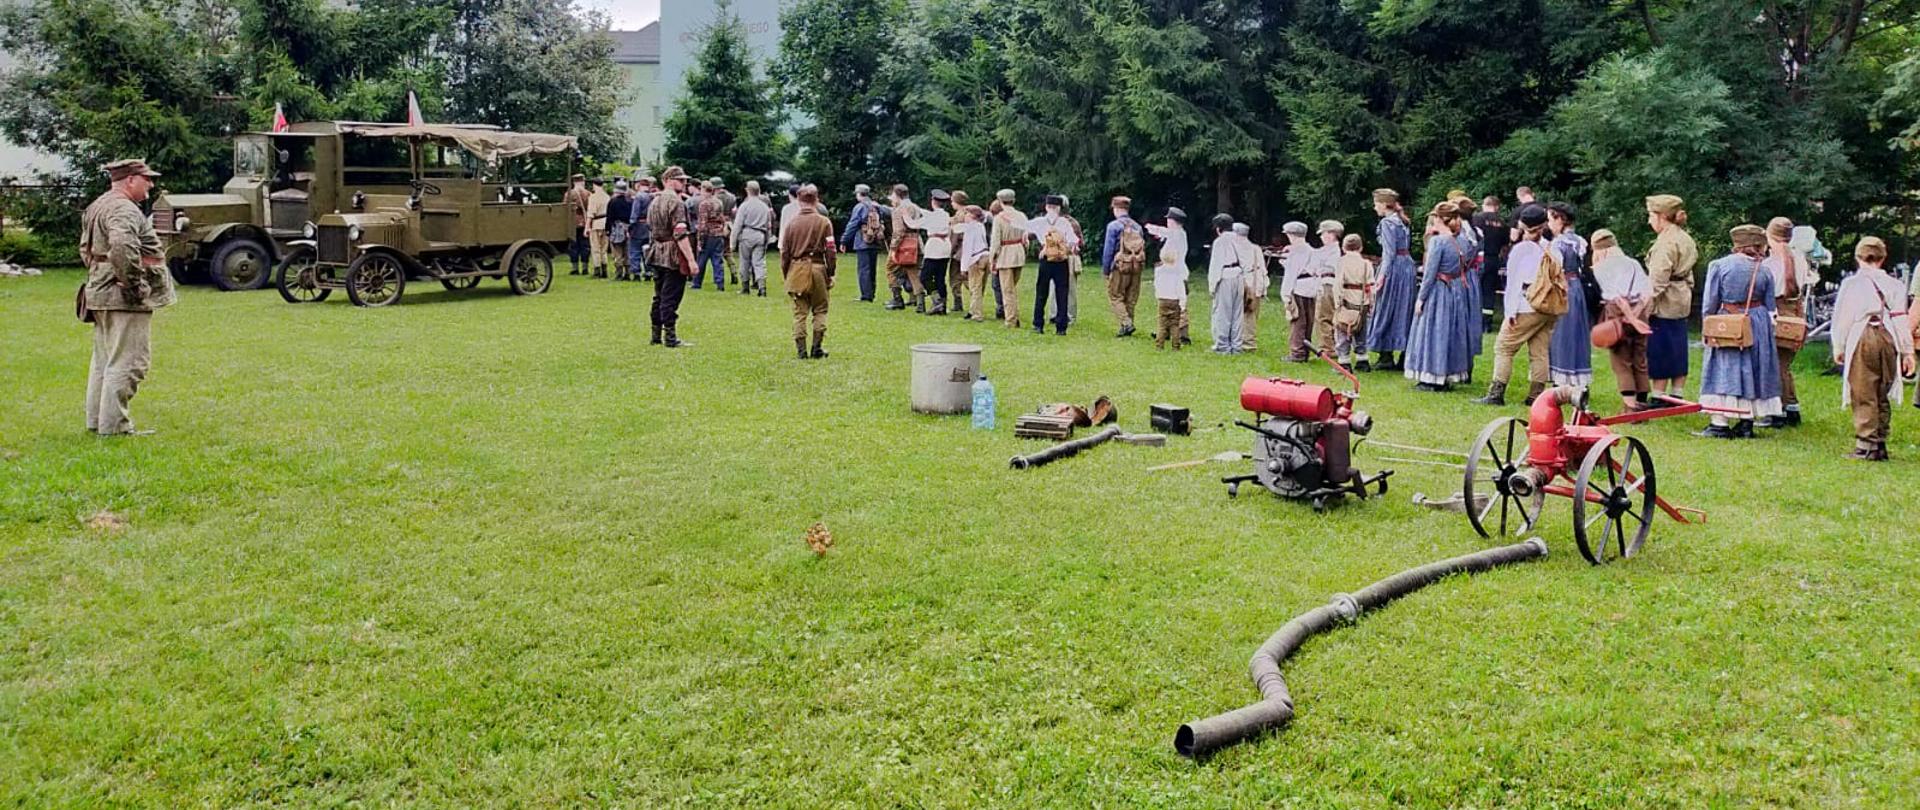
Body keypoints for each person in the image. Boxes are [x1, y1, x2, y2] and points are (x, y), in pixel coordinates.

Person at [79, 158, 171, 436]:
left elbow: (85, 248)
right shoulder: (123, 209)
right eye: (147, 179)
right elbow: (122, 247)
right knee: (130, 362)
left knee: (105, 361)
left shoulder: (99, 205)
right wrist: (135, 287)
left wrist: (102, 275)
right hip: (122, 297)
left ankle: (98, 421)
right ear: (130, 179)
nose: (151, 185)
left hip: (101, 291)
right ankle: (115, 427)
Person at [1830, 236, 1914, 459]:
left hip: (1862, 335)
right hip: (1888, 335)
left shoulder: (1852, 284)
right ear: (1883, 258)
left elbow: (1843, 318)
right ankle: (1880, 440)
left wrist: (1839, 346)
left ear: (1858, 257)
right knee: (1882, 389)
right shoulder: (1895, 285)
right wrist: (1907, 351)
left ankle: (1866, 444)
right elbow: (1900, 318)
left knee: (1863, 389)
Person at [1695, 225, 1781, 438]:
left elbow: (1710, 302)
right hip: (1758, 321)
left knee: (1725, 367)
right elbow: (1771, 306)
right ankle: (1746, 422)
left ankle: (1719, 423)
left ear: (1737, 244)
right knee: (1753, 368)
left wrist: (1708, 324)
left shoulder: (1720, 265)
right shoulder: (1764, 269)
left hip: (1729, 320)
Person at [1474, 204, 1561, 406]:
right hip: (1548, 305)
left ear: (1523, 225)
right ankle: (1535, 396)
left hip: (1526, 304)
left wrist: (1510, 311)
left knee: (1504, 347)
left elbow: (1514, 283)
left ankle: (1496, 393)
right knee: (1539, 351)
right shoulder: (1553, 247)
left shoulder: (1521, 250)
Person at [1404, 202, 1476, 391]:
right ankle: (1446, 376)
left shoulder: (1438, 242)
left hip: (1438, 290)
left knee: (1434, 332)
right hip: (1455, 290)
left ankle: (1431, 378)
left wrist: (1421, 299)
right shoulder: (1462, 240)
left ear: (1439, 219)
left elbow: (1429, 273)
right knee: (1450, 332)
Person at [1760, 216, 1817, 428]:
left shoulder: (1768, 265)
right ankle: (1791, 407)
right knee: (1784, 363)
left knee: (1773, 365)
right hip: (1795, 311)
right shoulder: (1800, 260)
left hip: (1776, 310)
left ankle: (1776, 411)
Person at [1590, 228, 1653, 412]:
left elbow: (1618, 298)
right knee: (1639, 358)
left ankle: (1630, 407)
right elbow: (1648, 293)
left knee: (1621, 360)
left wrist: (1630, 319)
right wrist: (1638, 315)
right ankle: (1642, 403)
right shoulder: (1632, 263)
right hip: (1639, 311)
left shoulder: (1602, 268)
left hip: (1618, 313)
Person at [1644, 194, 1698, 397]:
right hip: (1681, 297)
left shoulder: (1666, 243)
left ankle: (1659, 395)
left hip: (1665, 301)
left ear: (1662, 216)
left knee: (1660, 349)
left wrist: (1644, 306)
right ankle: (1677, 392)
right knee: (1678, 347)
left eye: (1651, 216)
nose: (1649, 221)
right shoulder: (1685, 238)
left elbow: (1657, 280)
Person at [780, 184, 837, 360]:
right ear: (816, 200)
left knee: (799, 312)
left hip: (797, 269)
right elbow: (831, 249)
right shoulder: (824, 222)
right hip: (819, 269)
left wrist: (787, 273)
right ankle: (816, 348)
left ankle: (801, 351)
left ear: (798, 201)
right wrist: (831, 272)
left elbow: (785, 254)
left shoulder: (791, 224)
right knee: (820, 309)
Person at [1366, 189, 1416, 370]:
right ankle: (1404, 354)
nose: (1374, 207)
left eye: (1376, 203)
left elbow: (1389, 253)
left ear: (1384, 204)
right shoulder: (1402, 221)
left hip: (1394, 268)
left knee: (1386, 306)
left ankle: (1385, 354)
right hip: (1407, 267)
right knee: (1404, 308)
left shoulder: (1388, 223)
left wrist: (1381, 276)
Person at [646, 167, 694, 348]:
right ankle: (671, 338)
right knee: (670, 296)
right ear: (668, 180)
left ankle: (656, 335)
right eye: (680, 180)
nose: (684, 183)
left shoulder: (654, 202)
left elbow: (651, 229)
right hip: (672, 254)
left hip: (656, 252)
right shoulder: (676, 202)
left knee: (658, 296)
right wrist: (690, 260)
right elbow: (680, 233)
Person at [1545, 202, 1591, 390]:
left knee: (1561, 332)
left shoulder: (1558, 244)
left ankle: (1562, 378)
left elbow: (1556, 271)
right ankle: (1577, 378)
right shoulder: (1580, 241)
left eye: (1550, 219)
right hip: (1577, 288)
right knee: (1577, 331)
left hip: (1562, 288)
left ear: (1560, 219)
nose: (1548, 224)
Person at [1027, 194, 1080, 335]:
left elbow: (1024, 226)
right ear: (1059, 208)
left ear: (1046, 207)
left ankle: (1038, 324)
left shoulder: (1040, 222)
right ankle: (1061, 327)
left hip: (1046, 259)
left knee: (1041, 292)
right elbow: (1073, 239)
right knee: (1062, 293)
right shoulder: (1064, 222)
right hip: (1061, 260)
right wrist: (1072, 246)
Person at [1102, 196, 1147, 337]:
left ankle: (1126, 323)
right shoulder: (1137, 227)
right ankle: (1127, 327)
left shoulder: (1113, 226)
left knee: (1115, 295)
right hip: (1136, 265)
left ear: (1116, 209)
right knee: (1131, 297)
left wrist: (1106, 269)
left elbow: (1108, 250)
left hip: (1120, 266)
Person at [1148, 208, 1191, 349]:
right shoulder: (1177, 234)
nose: (1167, 221)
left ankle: (1182, 334)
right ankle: (1167, 332)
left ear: (1173, 221)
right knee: (1175, 305)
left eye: (1169, 219)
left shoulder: (1177, 234)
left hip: (1177, 273)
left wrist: (1152, 228)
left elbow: (1166, 232)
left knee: (1180, 307)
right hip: (1174, 272)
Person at [1205, 213, 1248, 353]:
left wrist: (1212, 285)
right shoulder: (1240, 240)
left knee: (1222, 312)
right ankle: (1236, 345)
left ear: (1218, 229)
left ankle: (1222, 345)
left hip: (1225, 276)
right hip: (1239, 276)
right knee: (1237, 313)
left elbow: (1216, 265)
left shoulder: (1219, 242)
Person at [1333, 234, 1375, 371]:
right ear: (1360, 248)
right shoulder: (1366, 264)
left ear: (1344, 248)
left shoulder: (1342, 262)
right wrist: (1371, 302)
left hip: (1346, 300)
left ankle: (1344, 362)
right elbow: (1371, 285)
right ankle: (1362, 360)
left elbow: (1338, 284)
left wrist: (1337, 302)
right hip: (1362, 301)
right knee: (1361, 330)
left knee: (1343, 330)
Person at [840, 184, 887, 302]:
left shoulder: (859, 207)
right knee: (872, 268)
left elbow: (853, 224)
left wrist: (844, 240)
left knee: (863, 269)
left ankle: (866, 295)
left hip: (863, 240)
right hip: (875, 240)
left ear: (858, 194)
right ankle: (872, 292)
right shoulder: (876, 206)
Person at [990, 189, 1029, 328]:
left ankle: (1011, 320)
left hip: (1005, 254)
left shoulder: (999, 218)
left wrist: (992, 258)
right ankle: (1014, 315)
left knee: (1007, 290)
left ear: (1000, 201)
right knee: (1012, 287)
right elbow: (1026, 238)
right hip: (1019, 253)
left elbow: (995, 241)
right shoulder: (1022, 216)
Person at [1471, 195, 1508, 332]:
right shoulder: (1502, 223)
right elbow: (1505, 245)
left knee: (1475, 289)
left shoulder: (1476, 219)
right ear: (1497, 207)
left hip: (1479, 259)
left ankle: (1473, 321)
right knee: (1489, 291)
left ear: (1484, 204)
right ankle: (1487, 324)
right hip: (1494, 259)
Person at [1278, 222, 1315, 361]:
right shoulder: (1310, 250)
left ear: (1291, 235)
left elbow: (1292, 273)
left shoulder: (1296, 251)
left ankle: (1297, 353)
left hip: (1298, 288)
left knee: (1297, 321)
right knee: (1308, 321)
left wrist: (1286, 294)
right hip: (1310, 288)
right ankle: (1305, 351)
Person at [885, 184, 925, 311]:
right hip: (917, 242)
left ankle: (897, 299)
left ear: (897, 195)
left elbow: (899, 231)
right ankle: (920, 302)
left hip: (904, 246)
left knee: (890, 268)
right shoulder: (916, 207)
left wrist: (893, 249)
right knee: (914, 273)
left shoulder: (899, 210)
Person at [732, 180, 774, 296]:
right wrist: (768, 238)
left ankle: (745, 287)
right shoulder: (764, 206)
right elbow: (768, 224)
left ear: (747, 190)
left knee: (745, 261)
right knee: (759, 262)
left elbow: (737, 225)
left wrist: (732, 242)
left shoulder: (744, 206)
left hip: (747, 234)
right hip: (761, 235)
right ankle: (762, 288)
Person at [916, 189, 955, 315]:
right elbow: (925, 212)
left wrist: (905, 214)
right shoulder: (945, 215)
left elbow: (913, 224)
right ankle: (942, 305)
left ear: (933, 201)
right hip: (945, 247)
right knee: (940, 277)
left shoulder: (933, 216)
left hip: (934, 248)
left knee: (924, 276)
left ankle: (937, 300)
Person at [1309, 220, 1344, 357]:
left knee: (1323, 316)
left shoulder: (1332, 251)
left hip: (1327, 284)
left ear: (1331, 235)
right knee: (1327, 316)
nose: (1321, 237)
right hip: (1329, 283)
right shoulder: (1331, 250)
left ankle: (1328, 347)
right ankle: (1331, 345)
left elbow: (1318, 265)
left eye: (1323, 234)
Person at [1051, 196, 1083, 326]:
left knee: (1066, 288)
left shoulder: (1069, 223)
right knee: (1060, 287)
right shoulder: (1072, 222)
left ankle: (1065, 315)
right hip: (1060, 256)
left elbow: (1079, 241)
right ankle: (1059, 314)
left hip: (1067, 257)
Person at [957, 204, 991, 322]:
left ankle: (977, 314)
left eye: (966, 213)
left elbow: (968, 248)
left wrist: (963, 267)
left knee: (975, 287)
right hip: (986, 256)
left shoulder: (970, 228)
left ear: (972, 215)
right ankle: (973, 309)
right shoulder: (980, 226)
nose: (965, 216)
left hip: (976, 258)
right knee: (980, 286)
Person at [693, 179, 729, 291]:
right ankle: (720, 283)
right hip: (718, 234)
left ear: (704, 189)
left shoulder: (704, 204)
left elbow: (703, 223)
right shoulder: (718, 202)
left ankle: (697, 282)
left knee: (701, 260)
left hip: (708, 235)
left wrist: (700, 240)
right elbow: (722, 218)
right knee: (717, 260)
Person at [1237, 223, 1267, 352]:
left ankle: (1245, 343)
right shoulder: (1256, 248)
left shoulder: (1236, 248)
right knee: (1251, 314)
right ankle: (1248, 342)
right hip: (1256, 282)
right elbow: (1263, 269)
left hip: (1244, 282)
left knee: (1243, 314)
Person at [627, 176, 655, 281]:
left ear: (639, 185)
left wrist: (631, 227)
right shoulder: (652, 197)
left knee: (635, 250)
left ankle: (636, 273)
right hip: (650, 226)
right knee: (647, 250)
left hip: (638, 226)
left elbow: (635, 214)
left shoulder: (639, 197)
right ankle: (648, 272)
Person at [947, 190, 970, 313]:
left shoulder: (959, 216)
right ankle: (975, 300)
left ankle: (958, 302)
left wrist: (950, 251)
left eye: (952, 201)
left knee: (955, 277)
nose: (951, 203)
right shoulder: (970, 212)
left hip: (958, 251)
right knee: (968, 276)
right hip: (969, 249)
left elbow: (955, 236)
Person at [563, 173, 590, 275]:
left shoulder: (569, 194)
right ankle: (585, 267)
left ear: (574, 182)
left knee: (573, 246)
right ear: (582, 181)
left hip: (572, 223)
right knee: (585, 245)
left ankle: (575, 268)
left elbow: (565, 208)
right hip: (585, 222)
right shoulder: (587, 193)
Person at [585, 179, 611, 278]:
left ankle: (597, 270)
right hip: (605, 223)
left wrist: (587, 227)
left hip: (596, 223)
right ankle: (604, 270)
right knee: (604, 248)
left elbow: (590, 214)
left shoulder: (593, 197)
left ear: (594, 185)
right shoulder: (607, 197)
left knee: (595, 248)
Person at [607, 180, 632, 281]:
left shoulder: (612, 202)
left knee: (617, 252)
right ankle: (628, 273)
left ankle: (619, 273)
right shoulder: (630, 201)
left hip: (616, 228)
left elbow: (609, 217)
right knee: (627, 252)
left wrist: (607, 230)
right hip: (628, 228)